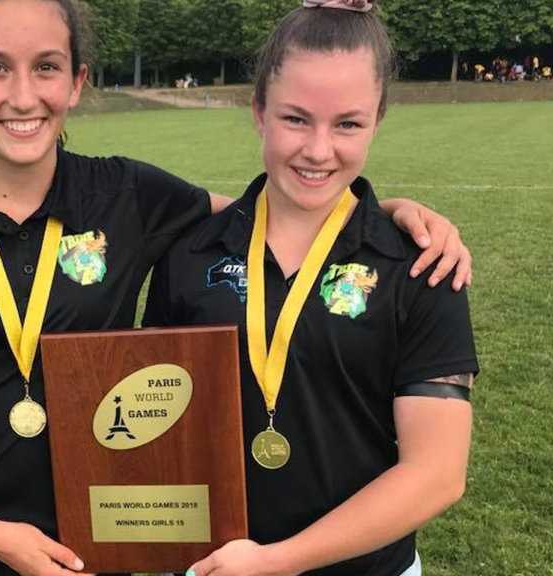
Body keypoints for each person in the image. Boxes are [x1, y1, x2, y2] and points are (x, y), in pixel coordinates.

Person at [0, 1, 472, 575]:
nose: (23, 96)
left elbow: (290, 204)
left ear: (77, 82)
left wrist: (386, 214)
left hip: (86, 548)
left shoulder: (129, 198)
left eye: (47, 67)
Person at [144, 2, 477, 575]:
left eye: (348, 124)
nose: (319, 151)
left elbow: (437, 475)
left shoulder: (422, 265)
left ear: (378, 119)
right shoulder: (189, 252)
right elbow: (159, 417)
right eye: (296, 119)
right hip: (212, 566)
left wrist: (277, 562)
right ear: (258, 111)